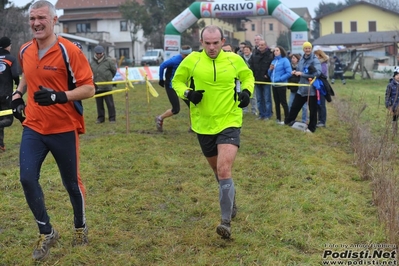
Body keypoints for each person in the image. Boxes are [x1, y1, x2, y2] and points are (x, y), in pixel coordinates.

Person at [11, 0, 95, 261]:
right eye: (32, 18)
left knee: (71, 183)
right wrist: (17, 94)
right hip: (34, 127)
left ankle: (80, 227)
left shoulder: (69, 51)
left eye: (41, 18)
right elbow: (27, 73)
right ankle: (46, 231)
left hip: (63, 128)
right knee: (26, 178)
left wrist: (61, 96)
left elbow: (89, 88)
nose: (36, 23)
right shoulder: (25, 49)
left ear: (54, 19)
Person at [172, 25, 254, 239]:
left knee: (224, 169)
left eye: (215, 43)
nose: (211, 47)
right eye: (207, 43)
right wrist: (188, 93)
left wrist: (246, 92)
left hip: (230, 120)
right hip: (203, 124)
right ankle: (231, 202)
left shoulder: (234, 60)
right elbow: (176, 82)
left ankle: (225, 222)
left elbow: (248, 77)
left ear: (222, 40)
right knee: (218, 173)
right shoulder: (192, 60)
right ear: (201, 43)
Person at [284, 41, 321, 133]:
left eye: (309, 48)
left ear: (311, 49)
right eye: (306, 48)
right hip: (301, 89)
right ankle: (288, 122)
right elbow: (299, 69)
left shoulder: (315, 60)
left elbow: (318, 73)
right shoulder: (301, 59)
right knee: (295, 107)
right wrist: (295, 72)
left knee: (312, 110)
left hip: (311, 89)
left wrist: (303, 74)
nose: (307, 50)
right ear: (303, 49)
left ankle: (312, 128)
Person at [156, 45, 192, 132]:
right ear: (181, 54)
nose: (186, 57)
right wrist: (161, 79)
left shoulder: (190, 59)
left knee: (192, 106)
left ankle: (193, 127)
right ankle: (160, 118)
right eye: (185, 55)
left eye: (188, 55)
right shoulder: (175, 60)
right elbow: (162, 66)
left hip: (181, 86)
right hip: (170, 86)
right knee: (176, 109)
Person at [0, 36, 20, 151]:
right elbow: (15, 75)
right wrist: (18, 86)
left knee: (0, 118)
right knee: (8, 120)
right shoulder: (11, 59)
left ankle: (1, 144)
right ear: (7, 46)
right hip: (5, 94)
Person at [90, 45, 117, 124]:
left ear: (103, 53)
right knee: (99, 104)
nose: (98, 55)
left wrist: (109, 78)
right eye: (97, 53)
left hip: (107, 86)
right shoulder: (92, 62)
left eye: (100, 53)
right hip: (97, 86)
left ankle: (112, 118)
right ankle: (100, 118)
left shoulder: (109, 61)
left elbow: (114, 70)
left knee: (110, 103)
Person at [248, 39, 274, 120]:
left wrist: (268, 75)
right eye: (259, 45)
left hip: (266, 80)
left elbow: (272, 67)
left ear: (265, 46)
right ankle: (261, 114)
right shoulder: (254, 54)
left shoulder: (270, 55)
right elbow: (250, 65)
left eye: (262, 45)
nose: (260, 46)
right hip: (257, 79)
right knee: (259, 99)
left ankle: (268, 115)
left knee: (267, 99)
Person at [268, 46, 291, 125]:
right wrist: (270, 70)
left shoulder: (285, 60)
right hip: (274, 85)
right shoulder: (273, 61)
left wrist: (280, 79)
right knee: (276, 103)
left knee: (283, 102)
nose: (275, 52)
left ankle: (287, 119)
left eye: (277, 50)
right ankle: (278, 118)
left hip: (281, 85)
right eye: (274, 51)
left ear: (281, 51)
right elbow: (269, 73)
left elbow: (289, 72)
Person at [287, 54, 307, 123]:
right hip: (293, 90)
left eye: (294, 58)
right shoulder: (289, 67)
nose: (292, 59)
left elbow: (304, 76)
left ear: (298, 59)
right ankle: (291, 119)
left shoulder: (301, 67)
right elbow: (289, 78)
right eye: (292, 58)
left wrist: (298, 73)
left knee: (304, 106)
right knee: (290, 104)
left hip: (301, 90)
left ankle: (304, 120)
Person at [314, 49, 330, 127]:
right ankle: (319, 119)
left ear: (320, 56)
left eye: (316, 55)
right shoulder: (316, 64)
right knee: (317, 104)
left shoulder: (323, 64)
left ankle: (322, 121)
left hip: (321, 86)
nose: (315, 57)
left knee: (322, 104)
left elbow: (320, 73)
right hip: (316, 85)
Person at [241, 45, 257, 115]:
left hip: (251, 79)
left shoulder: (254, 57)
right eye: (244, 50)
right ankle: (245, 109)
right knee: (243, 94)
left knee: (253, 96)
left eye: (247, 49)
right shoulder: (240, 58)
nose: (246, 51)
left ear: (250, 50)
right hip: (243, 79)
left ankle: (254, 110)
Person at [385, 67, 399, 136]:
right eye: (397, 75)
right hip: (394, 106)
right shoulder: (390, 85)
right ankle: (394, 133)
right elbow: (387, 97)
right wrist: (388, 106)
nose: (398, 76)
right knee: (395, 119)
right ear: (394, 75)